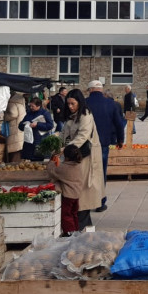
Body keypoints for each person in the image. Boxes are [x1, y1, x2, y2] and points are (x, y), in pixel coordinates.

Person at [61, 88, 104, 229]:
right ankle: (84, 226)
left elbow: (82, 136)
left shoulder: (86, 116)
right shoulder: (72, 116)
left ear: (80, 102)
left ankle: (82, 226)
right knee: (78, 192)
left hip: (86, 159)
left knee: (84, 192)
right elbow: (65, 134)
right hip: (75, 158)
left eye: (73, 104)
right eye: (68, 104)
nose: (70, 106)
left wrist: (66, 149)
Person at [85, 80, 124, 212]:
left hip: (86, 143)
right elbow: (119, 124)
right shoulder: (111, 104)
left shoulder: (84, 103)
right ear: (101, 90)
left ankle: (86, 201)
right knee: (100, 172)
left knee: (86, 171)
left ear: (90, 90)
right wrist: (120, 140)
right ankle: (100, 202)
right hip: (103, 143)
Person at [47, 143, 84, 235]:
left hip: (68, 196)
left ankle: (69, 232)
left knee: (66, 215)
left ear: (66, 157)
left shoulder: (64, 168)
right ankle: (76, 231)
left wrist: (51, 160)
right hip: (77, 195)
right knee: (74, 214)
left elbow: (51, 171)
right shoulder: (78, 165)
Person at [3, 91, 27, 163]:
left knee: (14, 149)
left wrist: (4, 117)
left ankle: (13, 166)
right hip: (19, 127)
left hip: (15, 128)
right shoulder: (19, 101)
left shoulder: (12, 102)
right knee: (18, 147)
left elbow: (13, 114)